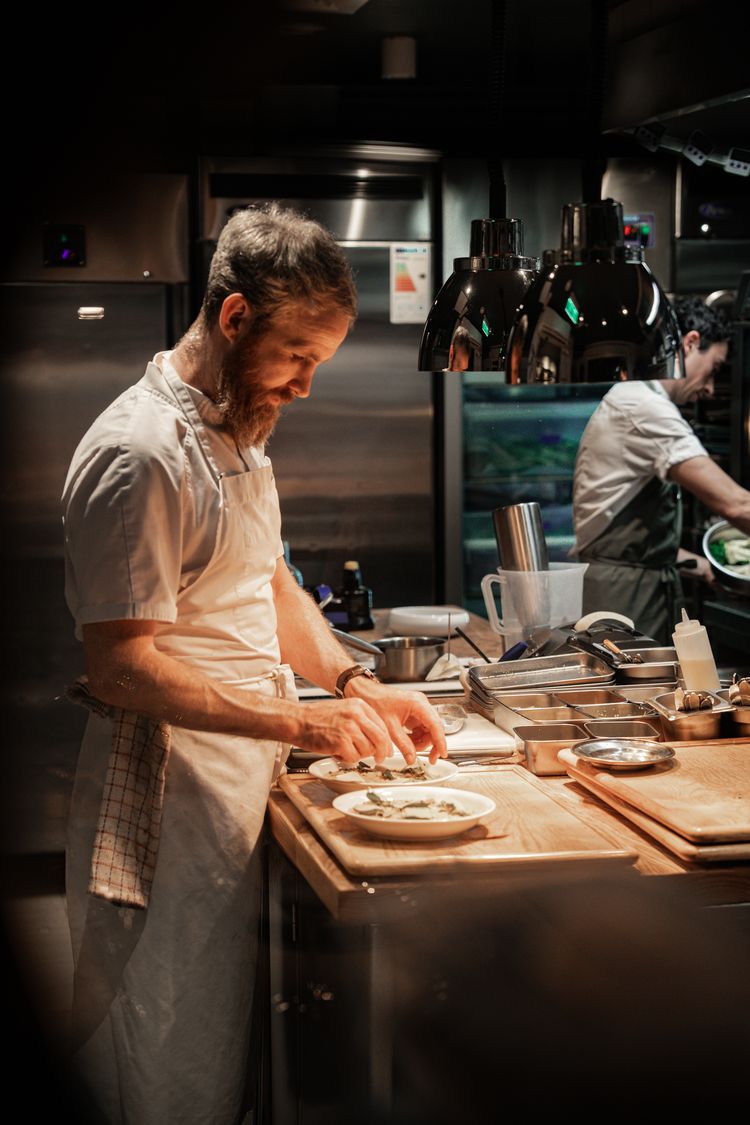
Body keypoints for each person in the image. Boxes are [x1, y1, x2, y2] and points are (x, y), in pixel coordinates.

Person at [60, 202, 446, 1125]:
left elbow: (267, 584)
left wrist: (354, 684)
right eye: (298, 358)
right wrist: (300, 721)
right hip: (170, 803)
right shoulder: (139, 454)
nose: (306, 385)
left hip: (240, 783)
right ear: (234, 319)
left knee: (233, 1058)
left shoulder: (235, 427)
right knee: (172, 1064)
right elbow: (121, 668)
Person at [571, 295, 750, 644]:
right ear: (691, 342)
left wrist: (702, 566)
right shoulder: (644, 407)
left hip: (629, 589)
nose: (711, 389)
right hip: (625, 600)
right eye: (713, 369)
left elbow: (621, 538)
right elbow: (736, 505)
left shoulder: (633, 398)